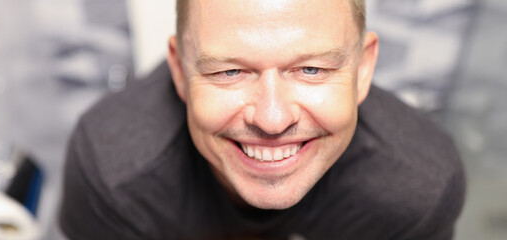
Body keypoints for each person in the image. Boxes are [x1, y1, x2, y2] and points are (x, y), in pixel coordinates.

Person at [58, 0, 466, 239]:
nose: (272, 120)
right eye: (229, 72)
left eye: (311, 69)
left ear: (363, 69)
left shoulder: (417, 191)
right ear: (180, 72)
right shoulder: (112, 175)